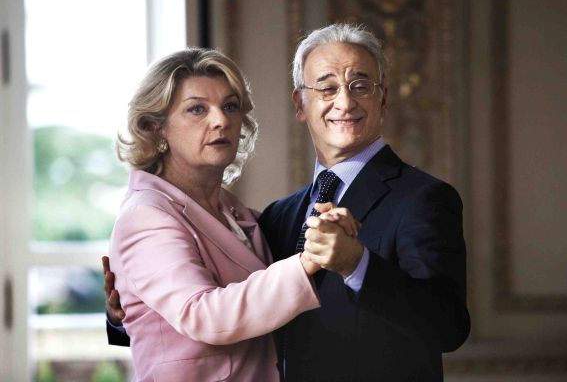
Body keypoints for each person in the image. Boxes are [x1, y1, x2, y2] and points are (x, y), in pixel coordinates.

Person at [106, 23, 470, 381]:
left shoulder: (423, 198)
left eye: (360, 86)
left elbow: (448, 328)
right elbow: (216, 311)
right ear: (301, 104)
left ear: (383, 98)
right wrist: (130, 308)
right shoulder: (281, 216)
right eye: (327, 88)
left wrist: (358, 265)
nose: (345, 102)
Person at [105, 47, 359, 382]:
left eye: (230, 106)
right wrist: (308, 259)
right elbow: (202, 316)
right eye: (197, 109)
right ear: (156, 128)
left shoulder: (239, 213)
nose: (221, 120)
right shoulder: (146, 215)